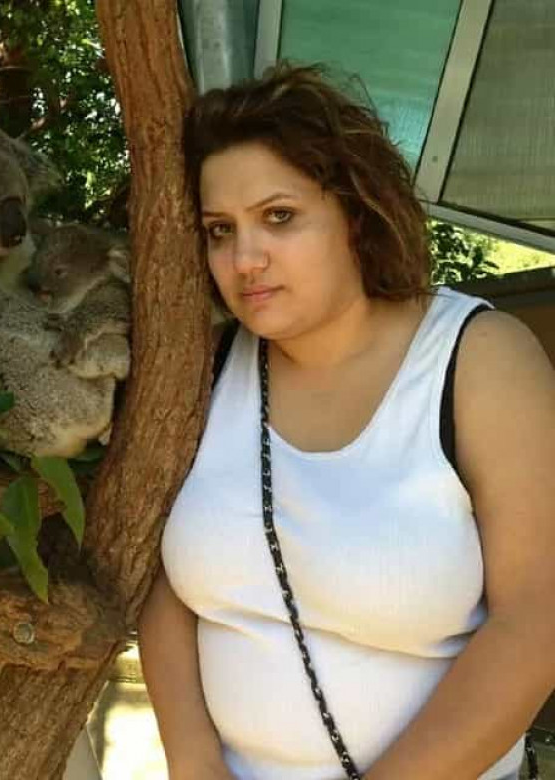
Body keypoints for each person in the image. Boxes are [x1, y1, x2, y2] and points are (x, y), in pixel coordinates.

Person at [138, 64, 555, 780]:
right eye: (219, 230)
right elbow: (165, 589)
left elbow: (536, 620)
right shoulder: (202, 369)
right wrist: (193, 761)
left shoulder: (476, 359)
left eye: (279, 216)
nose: (245, 259)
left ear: (356, 214)